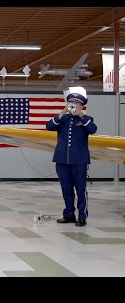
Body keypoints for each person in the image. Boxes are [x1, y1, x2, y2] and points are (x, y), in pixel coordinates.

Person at [46, 92, 97, 227]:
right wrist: (63, 111)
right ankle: (69, 215)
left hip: (79, 161)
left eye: (76, 104)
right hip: (62, 160)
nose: (73, 106)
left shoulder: (86, 119)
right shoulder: (62, 119)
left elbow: (92, 130)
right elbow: (49, 126)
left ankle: (82, 216)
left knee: (80, 190)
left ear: (81, 105)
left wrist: (81, 114)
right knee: (66, 189)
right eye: (71, 103)